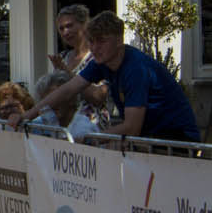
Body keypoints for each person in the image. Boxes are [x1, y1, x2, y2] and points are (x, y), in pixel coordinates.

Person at [18, 9, 200, 143]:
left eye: (102, 41)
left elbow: (131, 127)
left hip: (176, 140)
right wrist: (26, 116)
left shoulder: (136, 69)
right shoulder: (101, 62)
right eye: (91, 41)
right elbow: (67, 90)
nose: (95, 48)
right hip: (151, 139)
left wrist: (89, 138)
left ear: (119, 40)